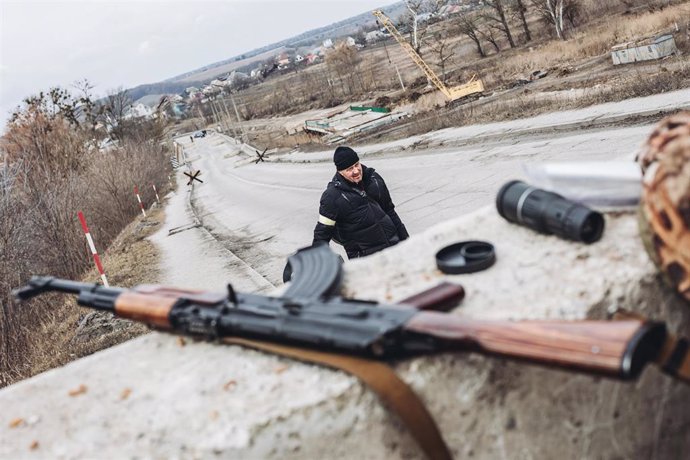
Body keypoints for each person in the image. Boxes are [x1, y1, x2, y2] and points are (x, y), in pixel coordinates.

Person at [312, 146, 409, 259]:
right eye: (349, 169)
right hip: (366, 261)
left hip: (395, 249)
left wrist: (407, 242)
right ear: (340, 171)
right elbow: (321, 235)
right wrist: (316, 262)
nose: (356, 171)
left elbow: (390, 212)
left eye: (357, 165)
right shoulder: (332, 197)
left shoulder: (374, 179)